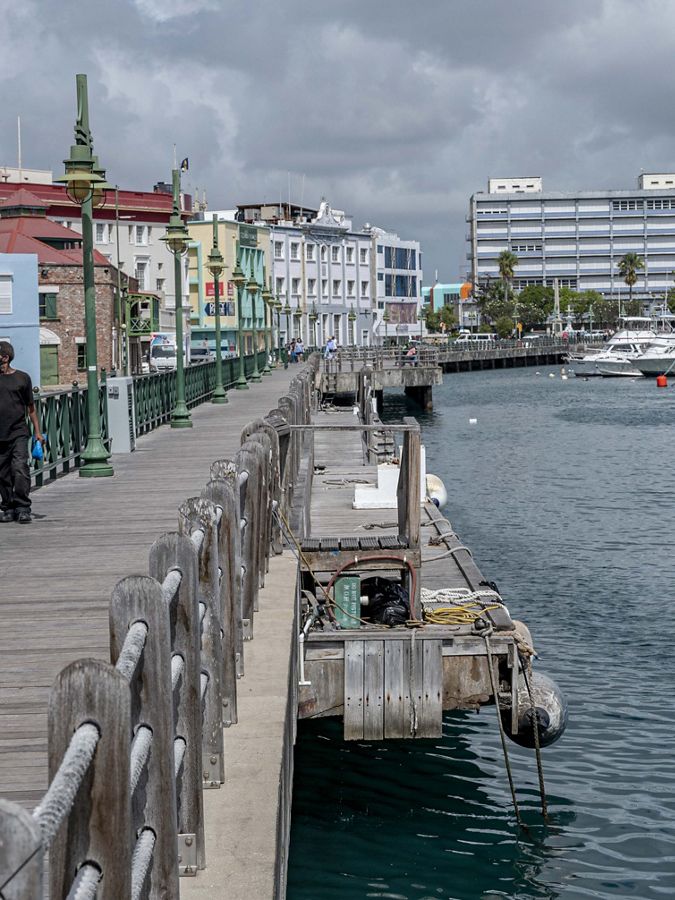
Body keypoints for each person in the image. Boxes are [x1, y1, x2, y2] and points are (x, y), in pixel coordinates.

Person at [0, 342, 45, 524]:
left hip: (18, 431)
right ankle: (8, 507)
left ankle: (23, 507)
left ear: (5, 357)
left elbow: (31, 408)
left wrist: (38, 433)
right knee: (2, 474)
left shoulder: (22, 378)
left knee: (19, 468)